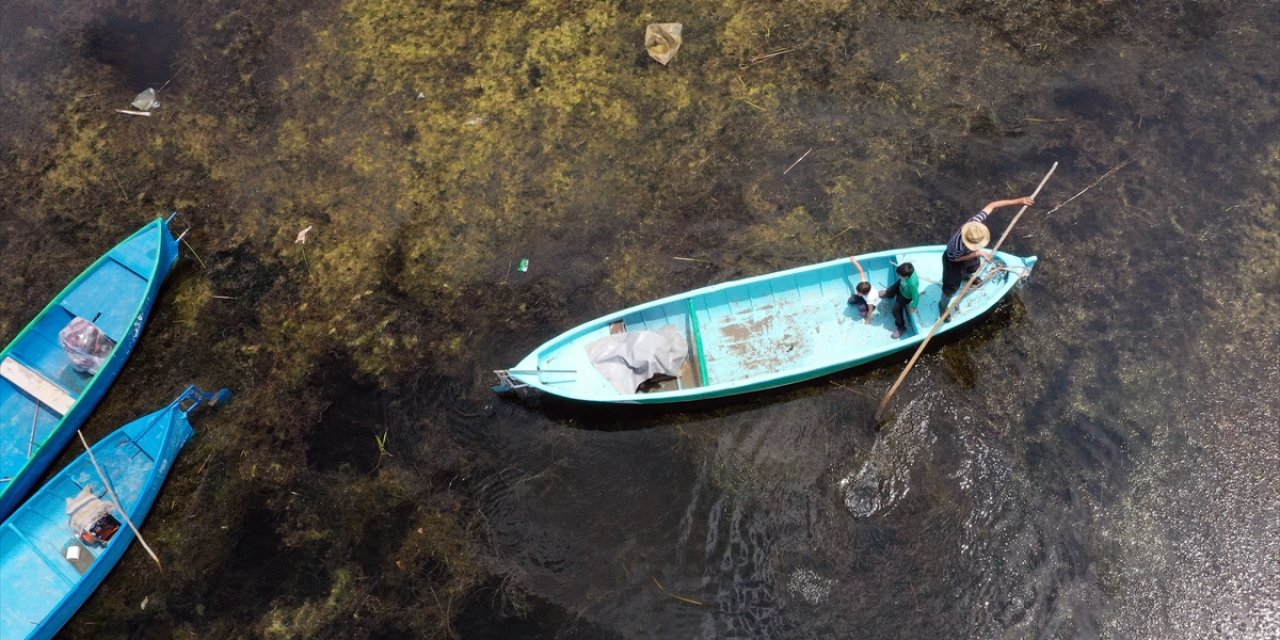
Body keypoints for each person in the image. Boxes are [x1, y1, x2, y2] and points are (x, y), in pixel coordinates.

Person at [938, 196, 1035, 320]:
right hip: (952, 260)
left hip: (969, 254)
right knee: (951, 287)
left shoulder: (974, 223)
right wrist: (978, 253)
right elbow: (955, 259)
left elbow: (992, 205)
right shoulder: (957, 246)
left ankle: (967, 277)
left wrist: (1018, 201)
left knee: (973, 267)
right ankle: (942, 306)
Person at [879, 262, 919, 339]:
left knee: (896, 310)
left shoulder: (912, 284)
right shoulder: (908, 272)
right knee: (893, 287)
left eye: (899, 275)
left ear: (907, 276)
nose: (897, 276)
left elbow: (916, 295)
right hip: (902, 285)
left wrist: (914, 306)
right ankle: (888, 294)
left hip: (905, 296)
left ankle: (901, 328)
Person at [847, 257, 880, 324]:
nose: (857, 292)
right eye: (857, 291)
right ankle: (861, 302)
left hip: (872, 304)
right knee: (850, 301)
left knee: (861, 309)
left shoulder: (870, 298)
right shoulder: (864, 283)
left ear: (865, 293)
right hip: (863, 297)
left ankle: (863, 308)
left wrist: (868, 320)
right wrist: (854, 261)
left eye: (858, 292)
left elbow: (870, 310)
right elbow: (861, 271)